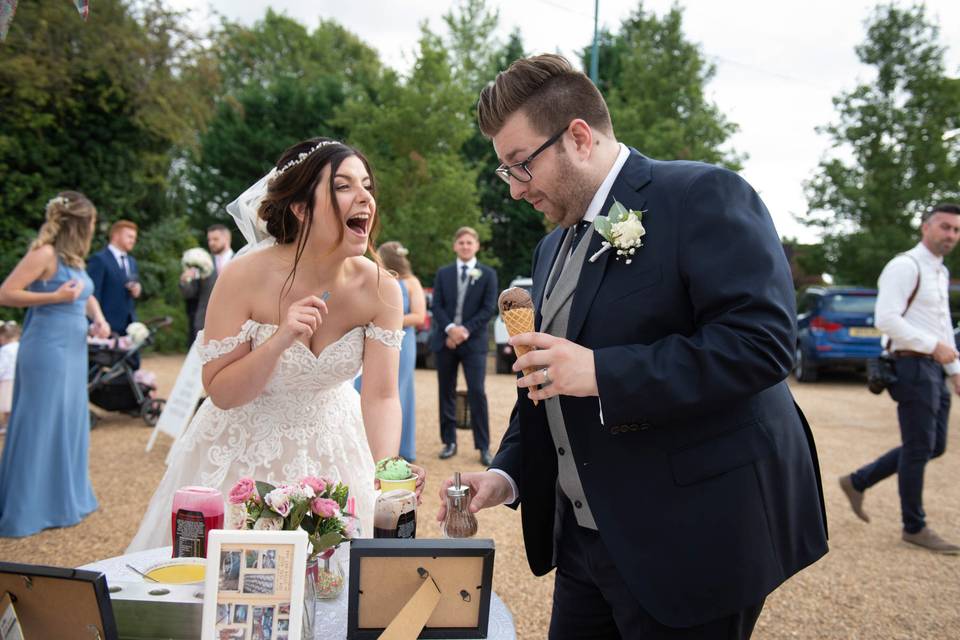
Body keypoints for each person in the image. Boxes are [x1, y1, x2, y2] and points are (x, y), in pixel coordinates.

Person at [438, 54, 828, 639]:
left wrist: (602, 371)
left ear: (577, 137)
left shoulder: (702, 194)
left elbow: (764, 344)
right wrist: (507, 474)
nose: (517, 191)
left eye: (520, 166)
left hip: (692, 545)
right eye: (506, 173)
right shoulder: (551, 250)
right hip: (585, 544)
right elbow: (545, 383)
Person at [129, 138, 425, 551]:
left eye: (367, 185)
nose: (365, 198)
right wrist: (279, 340)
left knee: (334, 582)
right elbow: (222, 392)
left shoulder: (381, 289)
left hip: (335, 444)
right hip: (241, 449)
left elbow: (380, 395)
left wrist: (383, 471)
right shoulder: (243, 277)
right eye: (343, 186)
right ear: (301, 208)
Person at [839, 203, 960, 555]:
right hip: (911, 366)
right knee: (920, 446)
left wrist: (954, 370)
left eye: (955, 229)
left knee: (934, 445)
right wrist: (933, 347)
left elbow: (941, 323)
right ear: (926, 228)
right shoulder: (904, 266)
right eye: (944, 227)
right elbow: (886, 319)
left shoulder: (939, 271)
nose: (951, 235)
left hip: (934, 367)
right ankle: (914, 526)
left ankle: (858, 481)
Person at [0, 192, 111, 537]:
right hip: (46, 350)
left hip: (73, 350)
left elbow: (86, 294)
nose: (94, 228)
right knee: (40, 421)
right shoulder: (44, 254)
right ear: (80, 223)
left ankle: (65, 500)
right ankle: (27, 508)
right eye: (92, 222)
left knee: (69, 420)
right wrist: (55, 297)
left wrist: (99, 318)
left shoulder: (73, 259)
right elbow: (6, 292)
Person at [430, 227, 498, 465]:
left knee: (477, 392)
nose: (465, 246)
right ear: (455, 246)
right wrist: (450, 329)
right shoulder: (443, 273)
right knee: (445, 392)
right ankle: (449, 442)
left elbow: (488, 308)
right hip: (445, 341)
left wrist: (464, 331)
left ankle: (483, 447)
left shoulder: (487, 274)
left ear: (477, 246)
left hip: (474, 343)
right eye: (461, 242)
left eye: (470, 242)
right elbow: (436, 305)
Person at [355, 241, 426, 462]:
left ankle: (401, 448)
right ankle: (364, 441)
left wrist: (386, 321)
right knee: (364, 388)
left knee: (398, 390)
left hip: (403, 343)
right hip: (376, 343)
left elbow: (419, 316)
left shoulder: (411, 282)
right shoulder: (379, 280)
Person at [180, 224, 234, 346]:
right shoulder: (201, 262)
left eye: (215, 239)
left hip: (233, 320)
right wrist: (185, 280)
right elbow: (190, 293)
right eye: (209, 240)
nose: (211, 243)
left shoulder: (240, 259)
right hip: (204, 321)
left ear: (226, 238)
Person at [0, 321, 20, 433]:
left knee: (7, 405)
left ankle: (7, 425)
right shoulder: (21, 346)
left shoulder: (5, 350)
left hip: (7, 379)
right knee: (14, 402)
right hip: (18, 378)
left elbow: (2, 366)